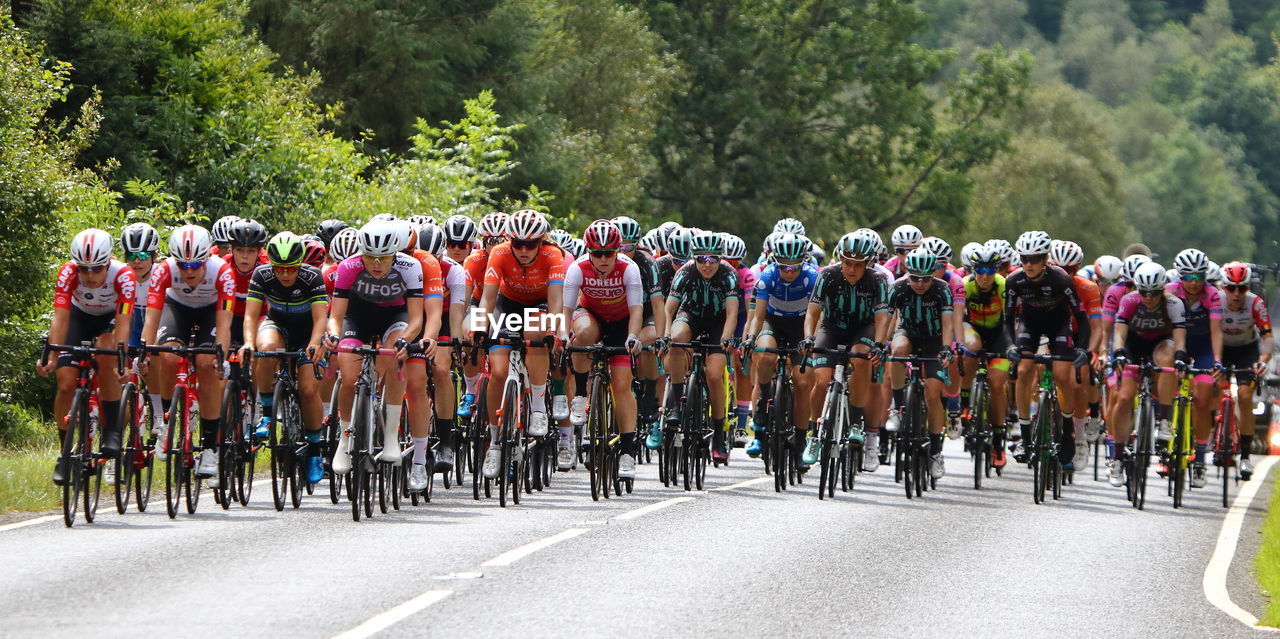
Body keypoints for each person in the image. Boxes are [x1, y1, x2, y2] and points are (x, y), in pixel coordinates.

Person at [325, 220, 424, 479]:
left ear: (394, 253)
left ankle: (390, 433)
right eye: (370, 257)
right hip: (357, 318)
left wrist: (407, 339)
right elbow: (336, 315)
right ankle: (344, 440)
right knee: (348, 376)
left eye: (383, 258)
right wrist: (334, 335)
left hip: (394, 317)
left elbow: (416, 318)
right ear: (362, 254)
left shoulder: (410, 266)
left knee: (394, 355)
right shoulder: (348, 267)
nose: (376, 264)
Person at [41, 229, 137, 485]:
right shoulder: (68, 272)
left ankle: (112, 432)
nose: (90, 275)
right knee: (65, 381)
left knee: (107, 357)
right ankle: (65, 454)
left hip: (109, 321)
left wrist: (120, 359)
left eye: (96, 269)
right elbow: (60, 317)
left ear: (108, 262)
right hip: (79, 318)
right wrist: (52, 354)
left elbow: (124, 323)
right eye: (84, 269)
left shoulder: (124, 276)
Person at [142, 225, 235, 483]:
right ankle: (167, 423)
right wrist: (145, 353)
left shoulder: (222, 272)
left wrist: (222, 358)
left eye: (195, 264)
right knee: (168, 356)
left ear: (206, 257)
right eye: (183, 264)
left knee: (207, 363)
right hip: (177, 309)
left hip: (210, 312)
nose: (189, 270)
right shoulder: (164, 270)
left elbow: (224, 323)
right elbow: (152, 318)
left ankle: (209, 448)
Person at [477, 210, 566, 478]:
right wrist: (479, 327)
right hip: (509, 305)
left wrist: (555, 328)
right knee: (499, 371)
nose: (524, 250)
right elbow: (487, 299)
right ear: (510, 241)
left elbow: (555, 301)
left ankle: (538, 408)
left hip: (539, 305)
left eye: (530, 244)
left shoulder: (553, 255)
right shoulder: (500, 253)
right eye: (518, 244)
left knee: (537, 332)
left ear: (541, 242)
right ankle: (494, 443)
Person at [241, 232, 329, 484]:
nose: (285, 275)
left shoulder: (312, 277)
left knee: (309, 390)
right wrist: (248, 342)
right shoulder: (262, 275)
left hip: (308, 332)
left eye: (290, 269)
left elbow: (321, 318)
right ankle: (267, 413)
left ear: (299, 264)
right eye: (279, 269)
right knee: (265, 348)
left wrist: (314, 343)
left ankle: (314, 449)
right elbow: (250, 316)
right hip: (277, 325)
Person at [800, 231, 891, 472]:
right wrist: (809, 337)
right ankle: (814, 434)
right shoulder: (827, 275)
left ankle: (855, 424)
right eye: (847, 263)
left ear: (868, 263)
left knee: (861, 361)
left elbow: (882, 318)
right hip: (832, 327)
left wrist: (880, 344)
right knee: (821, 381)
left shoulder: (877, 280)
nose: (851, 269)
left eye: (857, 265)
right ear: (840, 259)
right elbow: (812, 311)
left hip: (863, 328)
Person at [563, 220, 645, 477]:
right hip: (591, 316)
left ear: (617, 251)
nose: (603, 259)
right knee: (582, 335)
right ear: (588, 251)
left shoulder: (629, 268)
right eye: (597, 253)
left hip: (621, 323)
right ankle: (579, 393)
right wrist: (564, 334)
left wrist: (632, 336)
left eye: (608, 253)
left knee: (622, 384)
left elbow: (636, 310)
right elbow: (566, 310)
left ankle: (628, 452)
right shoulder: (578, 268)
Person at [661, 231, 740, 463]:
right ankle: (676, 403)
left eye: (713, 259)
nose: (707, 265)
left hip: (718, 323)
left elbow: (732, 313)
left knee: (715, 375)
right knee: (677, 340)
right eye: (701, 259)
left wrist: (726, 338)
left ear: (720, 258)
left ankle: (718, 435)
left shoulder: (729, 274)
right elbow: (668, 309)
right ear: (693, 258)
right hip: (691, 316)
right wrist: (666, 334)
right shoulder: (685, 272)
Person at [741, 233, 818, 469]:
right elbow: (758, 316)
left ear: (803, 261)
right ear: (775, 261)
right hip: (772, 322)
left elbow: (816, 315)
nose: (788, 272)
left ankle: (801, 439)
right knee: (764, 354)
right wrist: (751, 337)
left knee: (804, 383)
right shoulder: (767, 275)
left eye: (794, 267)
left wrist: (810, 340)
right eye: (783, 266)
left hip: (801, 326)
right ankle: (763, 397)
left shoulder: (812, 277)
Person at [1219, 261, 1272, 479]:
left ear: (1248, 288)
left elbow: (1267, 336)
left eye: (1242, 288)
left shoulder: (1255, 304)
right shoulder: (1215, 301)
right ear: (1224, 287)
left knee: (1244, 395)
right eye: (1231, 288)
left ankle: (1246, 457)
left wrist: (1263, 360)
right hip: (1220, 349)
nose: (1237, 293)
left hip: (1246, 351)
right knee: (1208, 388)